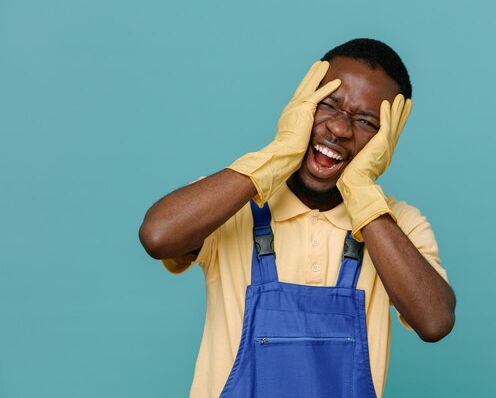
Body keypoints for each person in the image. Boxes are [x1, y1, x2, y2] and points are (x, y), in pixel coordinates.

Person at [139, 38, 456, 398]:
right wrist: (280, 152)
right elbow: (157, 235)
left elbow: (435, 321)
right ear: (301, 105)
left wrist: (362, 192)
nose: (339, 129)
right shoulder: (232, 203)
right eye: (328, 105)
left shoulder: (398, 224)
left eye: (366, 121)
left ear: (387, 141)